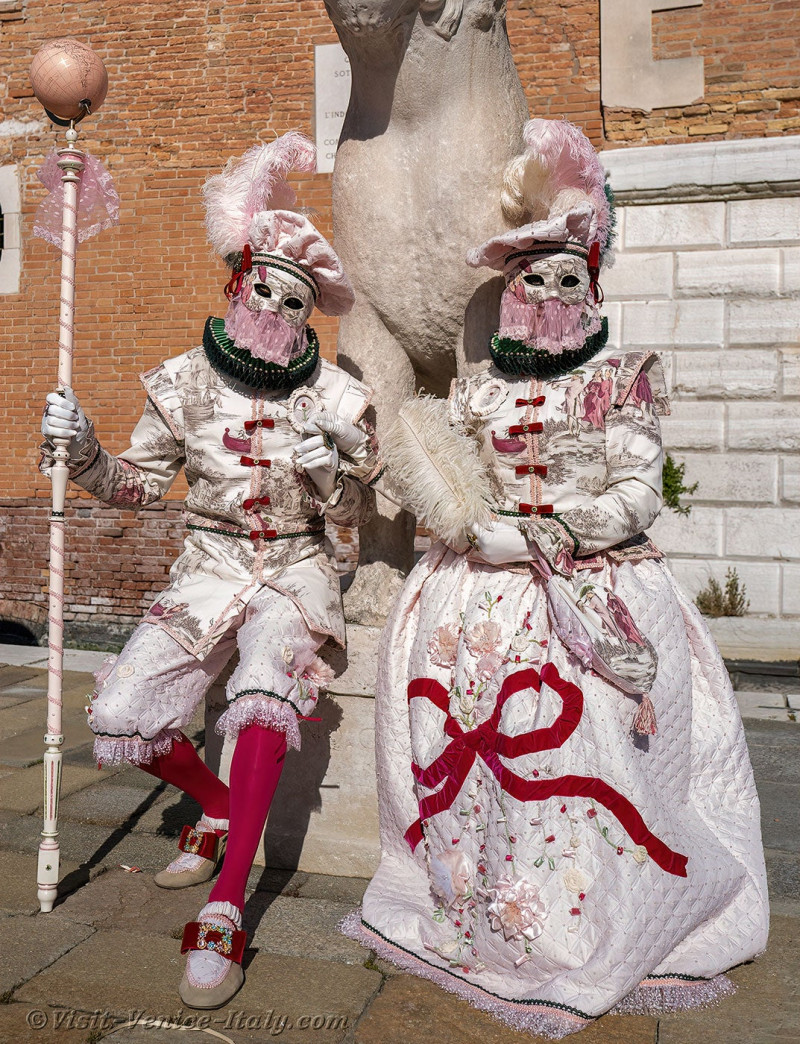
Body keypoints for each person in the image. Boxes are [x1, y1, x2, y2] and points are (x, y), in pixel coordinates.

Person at [343, 119, 768, 1037]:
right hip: (472, 606)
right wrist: (463, 523)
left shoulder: (623, 379)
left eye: (563, 274)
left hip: (597, 590)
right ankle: (486, 906)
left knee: (591, 756)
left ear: (592, 283)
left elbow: (638, 493)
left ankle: (593, 919)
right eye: (527, 276)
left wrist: (535, 534)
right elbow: (445, 484)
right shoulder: (475, 387)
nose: (544, 289)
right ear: (507, 289)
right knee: (475, 751)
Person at [41, 133, 382, 1009]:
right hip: (209, 566)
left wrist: (329, 469)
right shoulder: (183, 383)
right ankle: (222, 803)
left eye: (295, 297)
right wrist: (82, 452)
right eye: (263, 285)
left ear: (312, 312)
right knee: (121, 712)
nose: (275, 304)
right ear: (238, 282)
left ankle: (227, 906)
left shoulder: (339, 398)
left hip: (297, 570)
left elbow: (352, 524)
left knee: (266, 687)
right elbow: (137, 487)